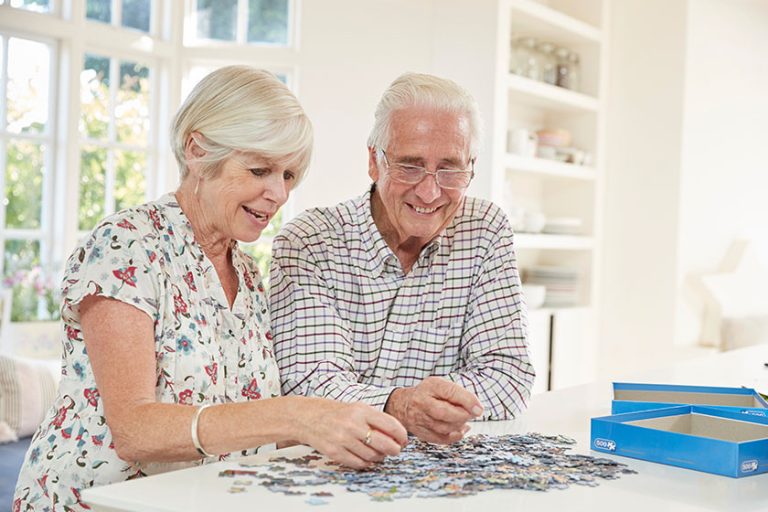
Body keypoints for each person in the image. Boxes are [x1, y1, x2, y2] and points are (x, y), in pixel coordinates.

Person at [13, 66, 406, 512]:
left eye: (290, 175)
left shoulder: (247, 273)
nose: (279, 194)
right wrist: (298, 415)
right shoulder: (125, 245)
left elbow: (240, 423)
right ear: (197, 151)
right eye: (260, 170)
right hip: (95, 502)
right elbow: (134, 429)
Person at [270, 72, 535, 446]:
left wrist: (417, 407)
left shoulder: (486, 229)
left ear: (471, 168)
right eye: (409, 165)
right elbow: (310, 386)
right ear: (374, 162)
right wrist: (402, 406)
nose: (429, 191)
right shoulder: (310, 241)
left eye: (450, 168)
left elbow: (509, 377)